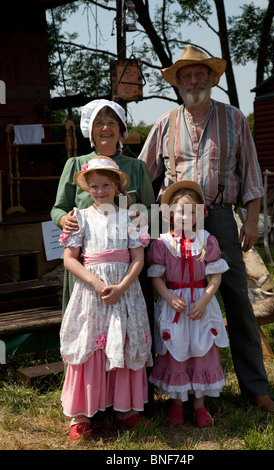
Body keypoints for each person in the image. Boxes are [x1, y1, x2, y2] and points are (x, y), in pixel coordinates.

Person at [138, 46, 274, 413]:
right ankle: (162, 389)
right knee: (164, 301)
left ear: (212, 79)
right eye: (187, 76)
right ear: (178, 83)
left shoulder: (234, 120)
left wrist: (250, 220)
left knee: (236, 299)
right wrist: (126, 217)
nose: (194, 81)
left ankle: (255, 388)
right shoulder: (164, 123)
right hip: (171, 225)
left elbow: (251, 175)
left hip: (217, 219)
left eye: (200, 74)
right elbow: (142, 174)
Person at [59, 156, 153, 440]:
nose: (100, 191)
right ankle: (81, 415)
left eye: (106, 185)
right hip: (92, 292)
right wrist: (96, 283)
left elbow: (138, 258)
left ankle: (126, 409)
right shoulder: (81, 217)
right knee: (89, 345)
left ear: (116, 187)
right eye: (95, 186)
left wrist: (123, 285)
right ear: (88, 188)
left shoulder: (130, 217)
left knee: (124, 341)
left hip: (125, 292)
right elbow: (69, 259)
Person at [51, 99, 155, 317]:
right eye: (99, 123)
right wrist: (63, 220)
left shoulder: (137, 167)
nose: (105, 128)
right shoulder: (76, 165)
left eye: (111, 123)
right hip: (85, 265)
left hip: (128, 266)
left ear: (121, 130)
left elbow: (152, 212)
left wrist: (140, 217)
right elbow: (58, 208)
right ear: (90, 130)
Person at [147, 181, 229, 427]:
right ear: (171, 214)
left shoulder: (207, 240)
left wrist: (205, 299)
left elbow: (215, 275)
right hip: (175, 305)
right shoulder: (162, 243)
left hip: (200, 306)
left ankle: (199, 405)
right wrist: (169, 297)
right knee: (176, 349)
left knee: (201, 348)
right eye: (181, 211)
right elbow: (156, 277)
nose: (185, 216)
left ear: (200, 213)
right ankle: (176, 403)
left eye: (192, 211)